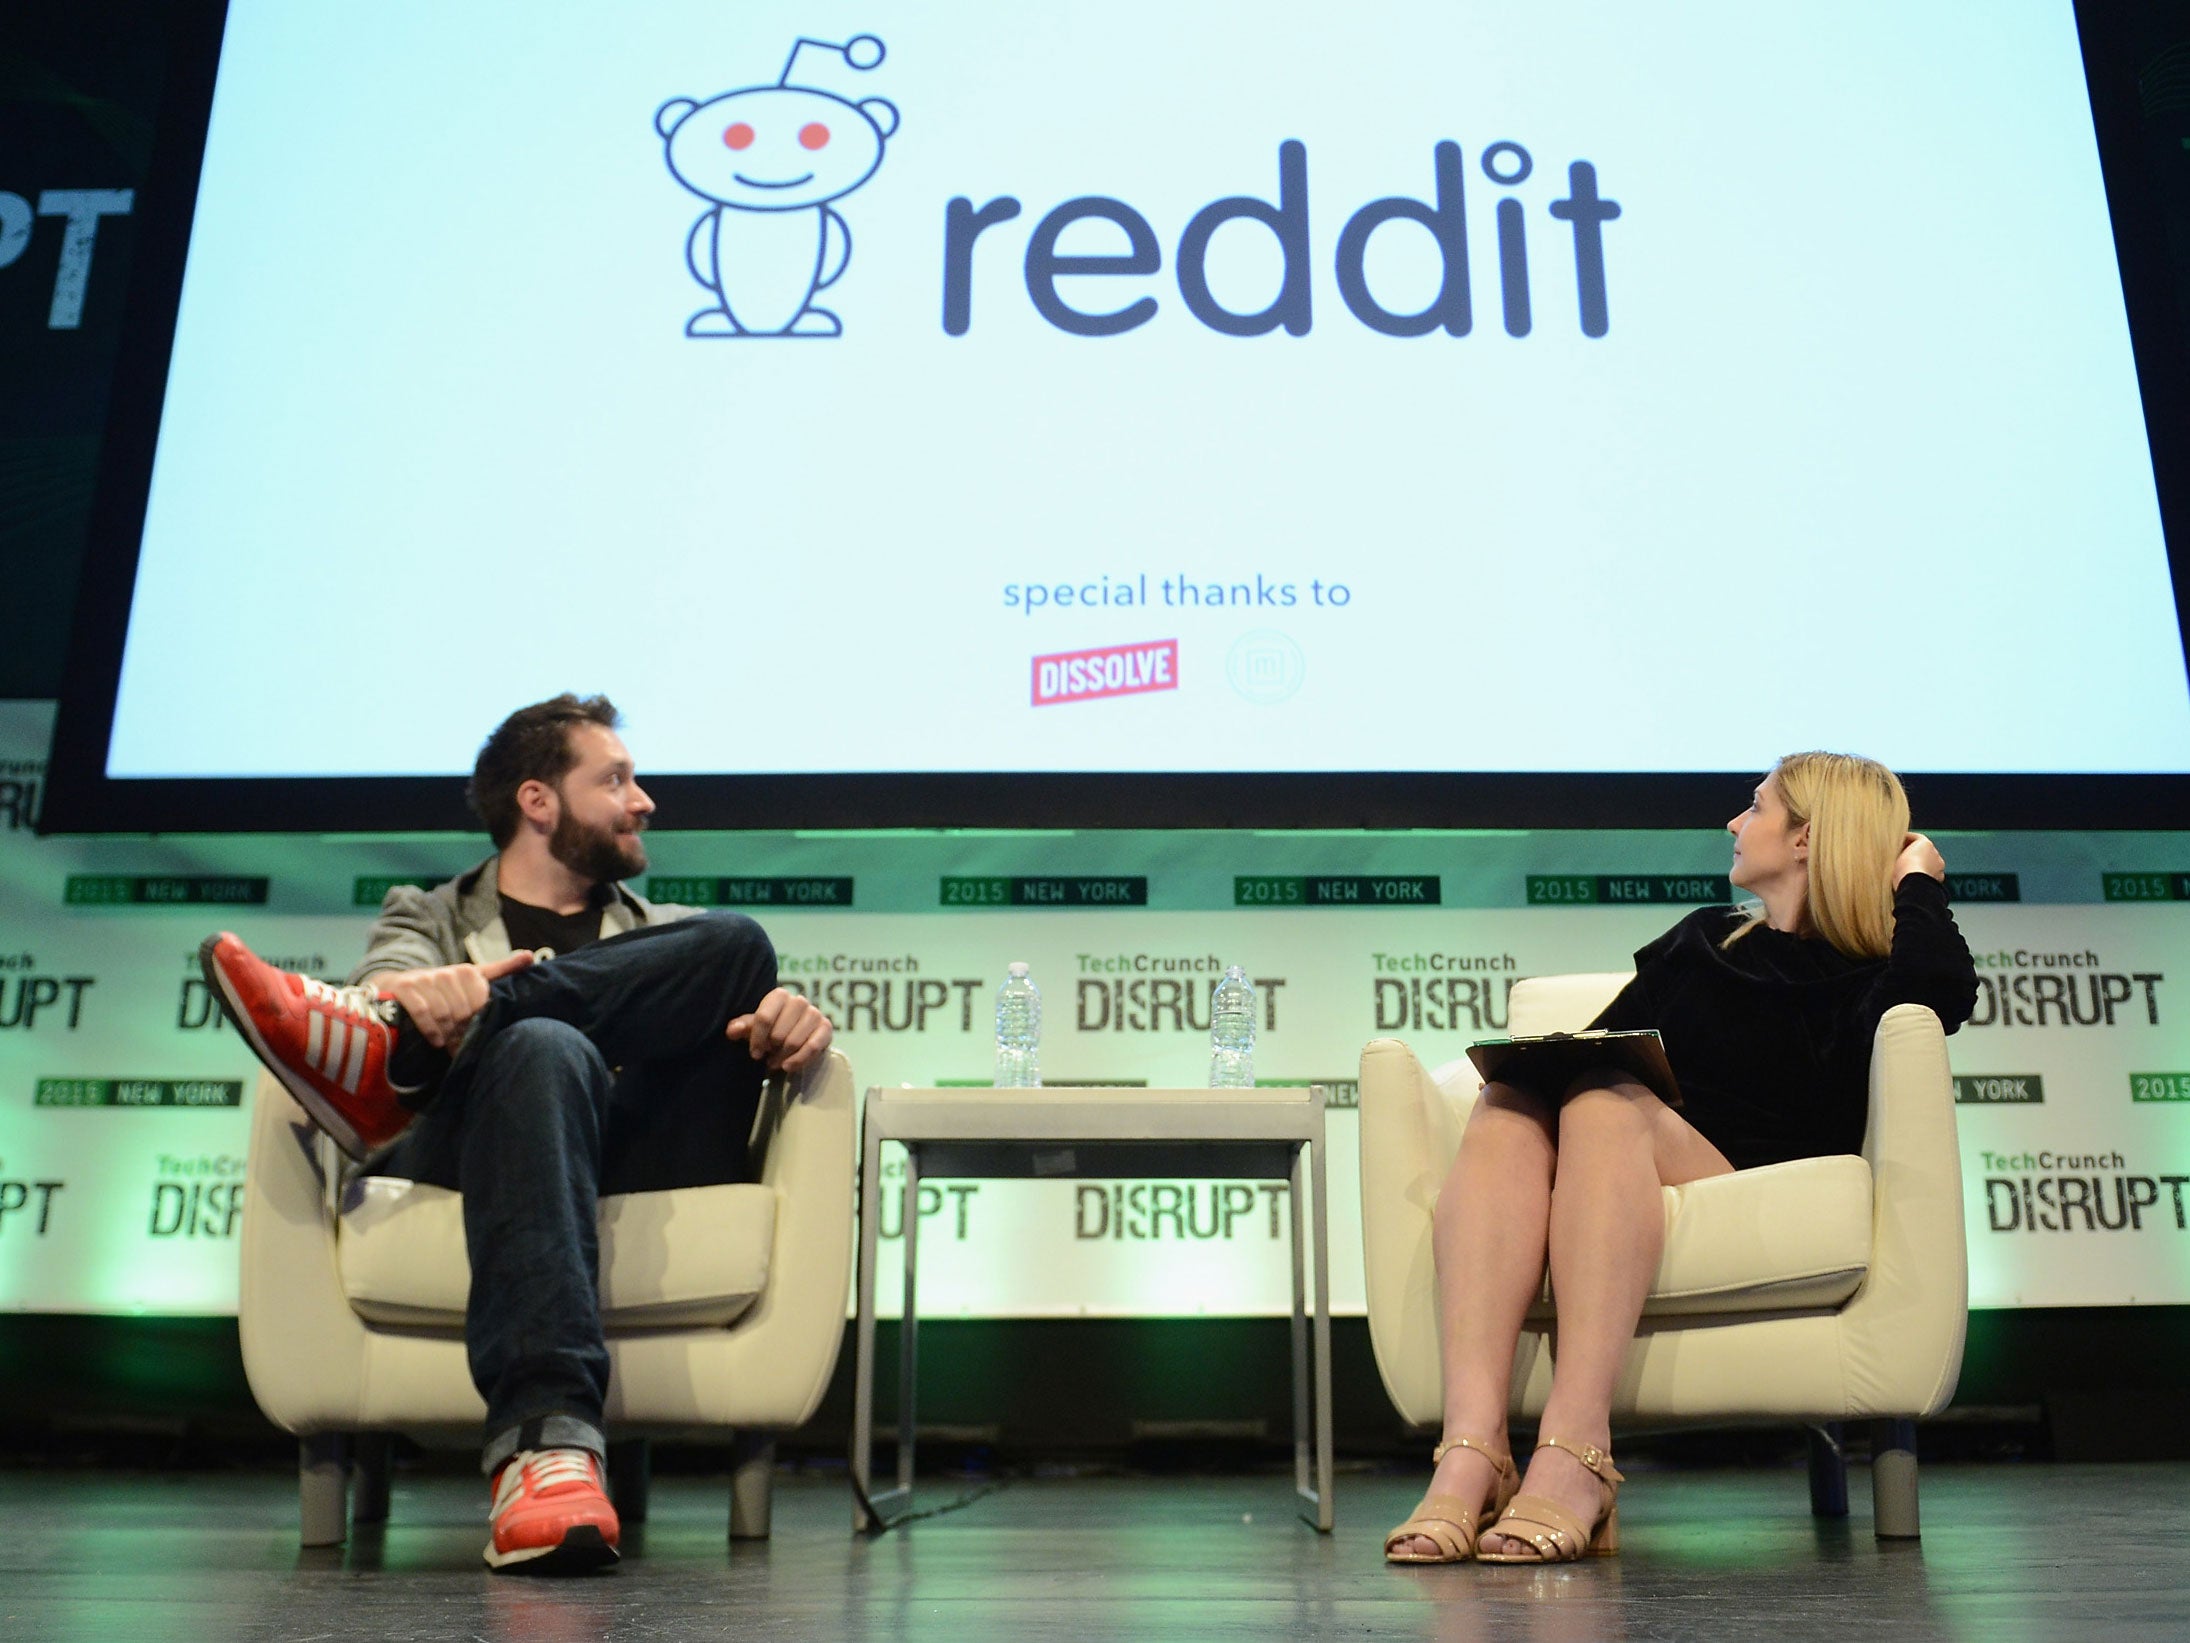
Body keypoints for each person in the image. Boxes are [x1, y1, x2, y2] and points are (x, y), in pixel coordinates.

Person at [201, 694, 833, 1574]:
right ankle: (545, 1446)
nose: (643, 799)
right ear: (538, 801)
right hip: (484, 1157)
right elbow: (392, 978)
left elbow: (741, 1010)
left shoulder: (667, 933)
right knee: (539, 1048)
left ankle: (411, 1047)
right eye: (615, 779)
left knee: (737, 945)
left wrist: (785, 1021)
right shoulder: (429, 915)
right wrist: (414, 1000)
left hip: (634, 1154)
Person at [1384, 752, 1978, 1565]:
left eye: (1756, 806)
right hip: (1625, 1154)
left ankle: (1577, 1451)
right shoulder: (1702, 940)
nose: (1735, 822)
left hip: (1751, 1175)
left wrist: (1918, 879)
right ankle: (1473, 1452)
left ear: (1806, 837)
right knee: (1511, 1102)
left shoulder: (1872, 974)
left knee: (1604, 1101)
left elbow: (1939, 990)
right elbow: (1604, 1045)